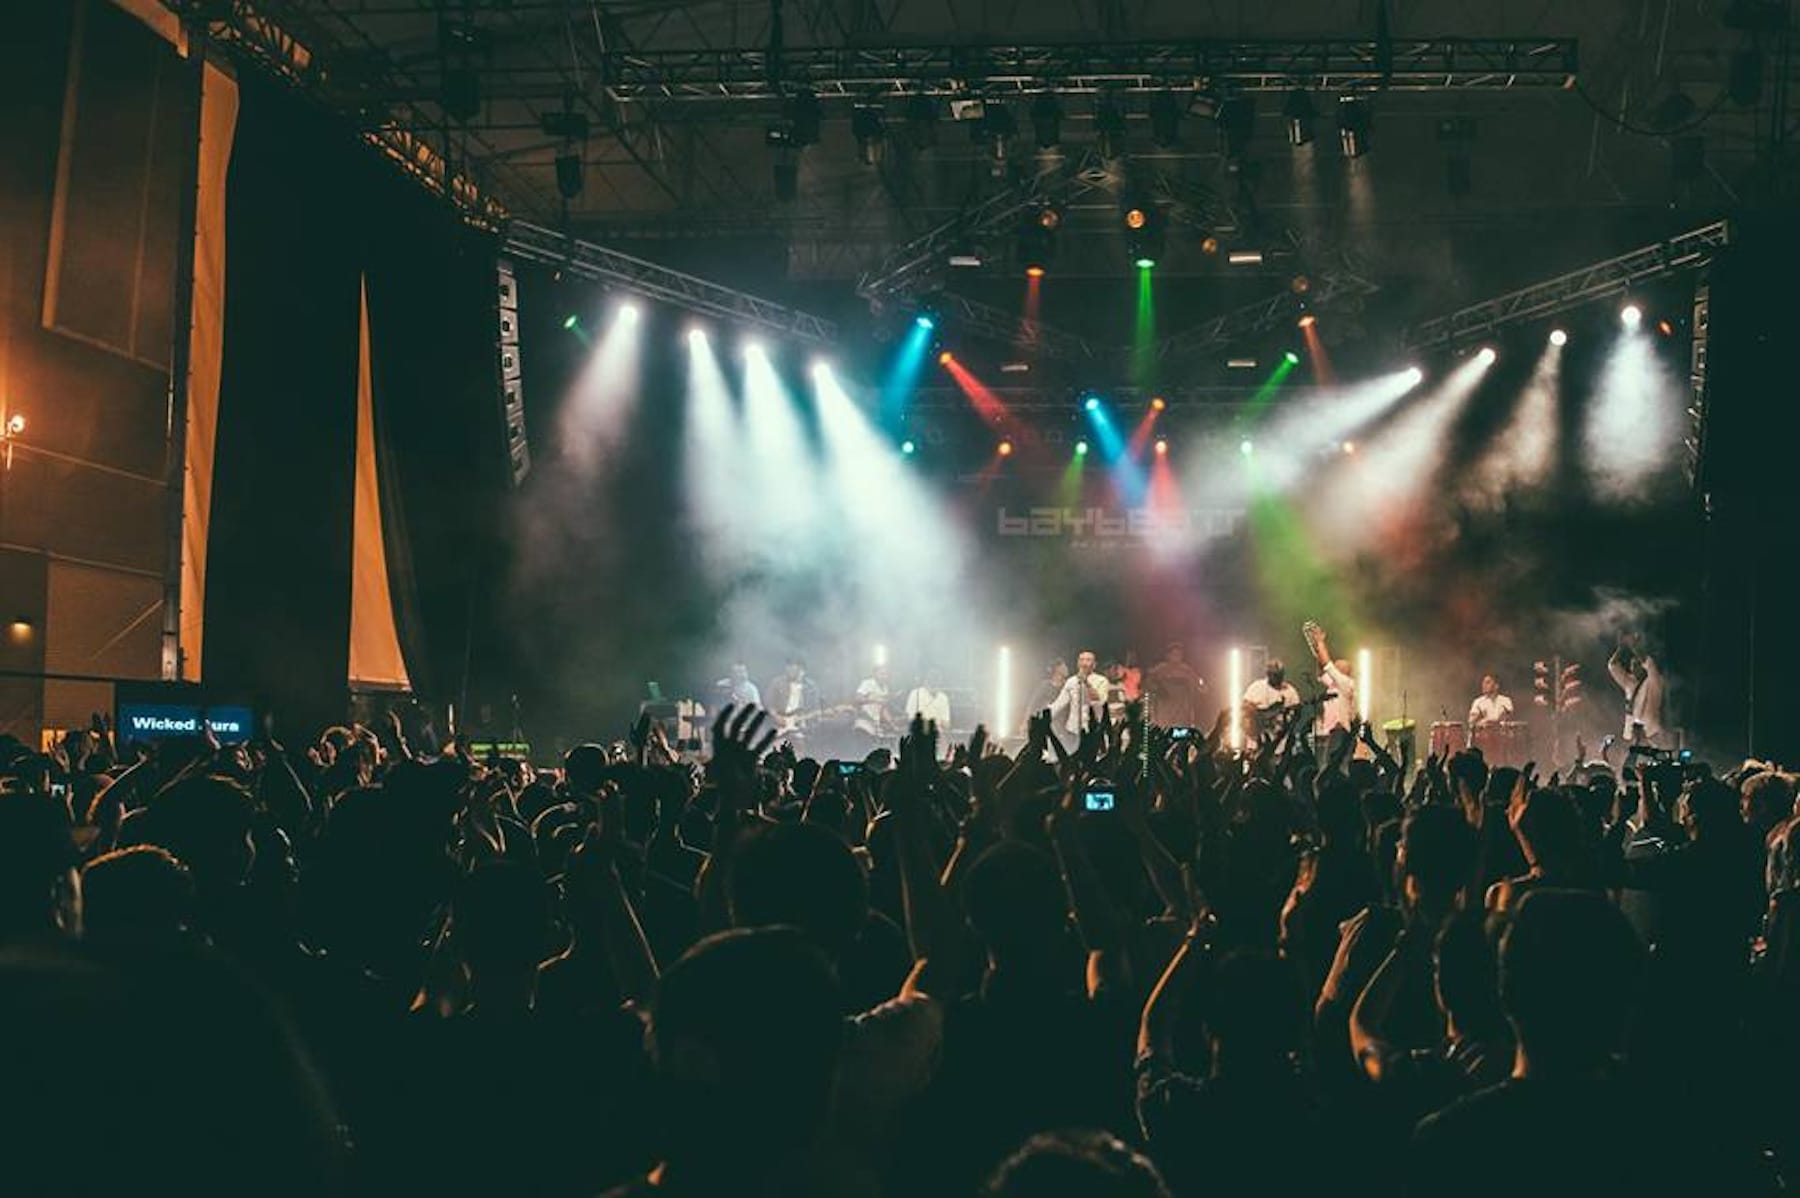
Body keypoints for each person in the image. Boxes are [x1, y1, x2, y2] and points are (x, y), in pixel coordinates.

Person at [1607, 635, 1666, 746]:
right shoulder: (1630, 683)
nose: (1632, 668)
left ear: (1643, 667)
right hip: (1632, 735)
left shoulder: (1654, 682)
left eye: (1636, 664)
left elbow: (1649, 664)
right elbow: (1613, 666)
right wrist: (1621, 648)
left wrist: (1633, 646)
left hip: (1650, 734)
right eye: (1631, 665)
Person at [1305, 624, 1357, 738]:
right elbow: (1321, 671)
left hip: (1341, 732)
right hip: (1330, 732)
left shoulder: (1345, 683)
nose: (1334, 666)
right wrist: (1318, 650)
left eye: (1336, 666)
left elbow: (1326, 664)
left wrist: (1320, 641)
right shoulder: (1335, 684)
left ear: (1344, 671)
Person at [1049, 651, 1111, 744]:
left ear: (1094, 665)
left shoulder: (1101, 681)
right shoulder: (1071, 681)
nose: (1084, 663)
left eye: (1088, 660)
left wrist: (1086, 683)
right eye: (1081, 660)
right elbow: (1059, 704)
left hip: (1093, 729)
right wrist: (1043, 716)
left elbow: (1100, 701)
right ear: (1078, 663)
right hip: (1073, 729)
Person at [1143, 642, 1204, 729]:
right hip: (1164, 711)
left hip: (1182, 712)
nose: (1176, 657)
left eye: (1179, 654)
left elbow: (1199, 683)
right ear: (1168, 655)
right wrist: (1158, 689)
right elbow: (1148, 682)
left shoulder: (1186, 670)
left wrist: (1201, 685)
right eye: (1174, 654)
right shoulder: (1160, 669)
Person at [1241, 659, 1300, 740]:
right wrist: (1259, 715)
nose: (1278, 678)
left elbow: (1297, 712)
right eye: (1275, 675)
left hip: (1281, 736)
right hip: (1257, 734)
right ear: (1268, 674)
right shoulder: (1257, 686)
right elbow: (1245, 706)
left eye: (1280, 675)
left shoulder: (1290, 691)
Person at [766, 656, 821, 732]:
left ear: (802, 670)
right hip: (778, 726)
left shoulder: (811, 688)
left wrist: (807, 720)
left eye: (793, 668)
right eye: (788, 667)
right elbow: (769, 704)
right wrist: (776, 717)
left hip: (801, 728)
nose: (789, 671)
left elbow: (815, 709)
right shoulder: (777, 683)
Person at [854, 663, 897, 743]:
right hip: (864, 721)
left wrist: (892, 724)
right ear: (874, 674)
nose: (884, 676)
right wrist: (874, 700)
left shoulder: (885, 688)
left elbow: (883, 709)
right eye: (882, 674)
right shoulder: (867, 683)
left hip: (876, 723)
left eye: (886, 674)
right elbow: (858, 699)